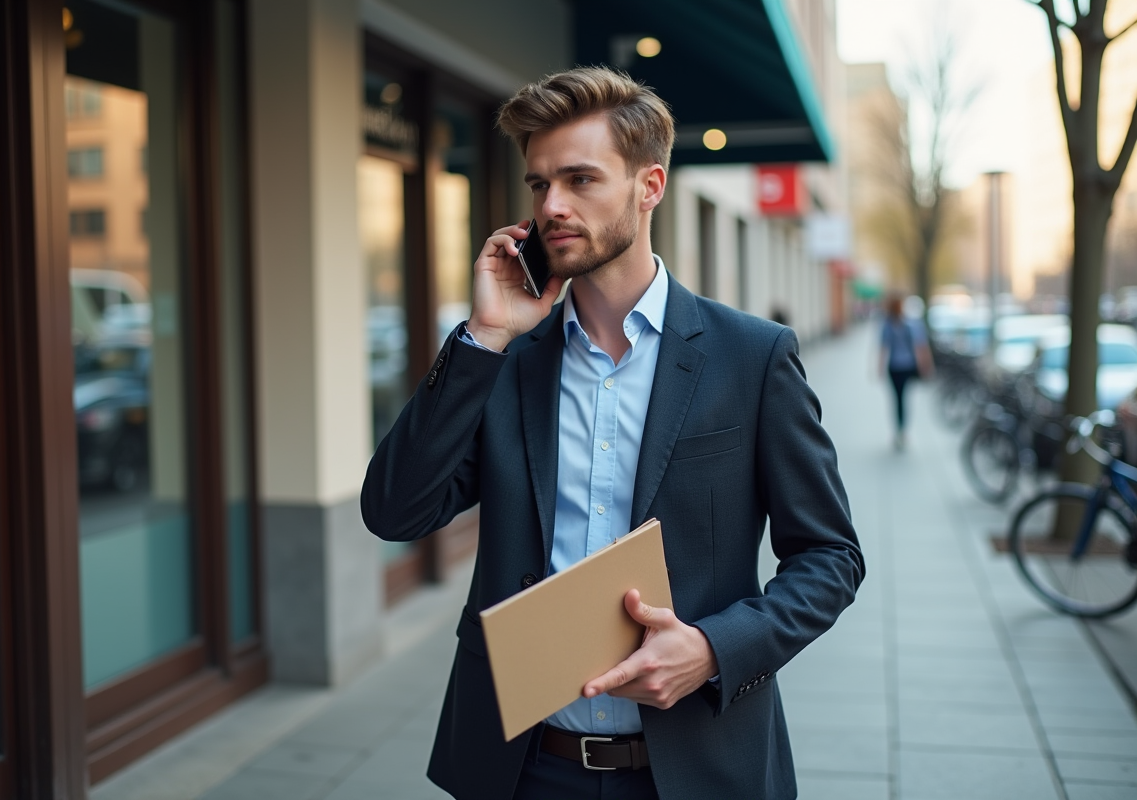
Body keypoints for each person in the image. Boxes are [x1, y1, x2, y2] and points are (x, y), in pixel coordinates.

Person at [361, 67, 864, 800]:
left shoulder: (751, 358)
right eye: (538, 185)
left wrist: (712, 650)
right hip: (524, 769)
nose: (551, 207)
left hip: (695, 769)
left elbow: (830, 557)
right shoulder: (508, 361)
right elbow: (394, 511)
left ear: (649, 185)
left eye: (579, 179)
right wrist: (482, 337)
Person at [878, 294, 933, 449]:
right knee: (903, 399)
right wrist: (925, 366)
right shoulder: (911, 323)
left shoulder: (888, 324)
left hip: (894, 367)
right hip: (906, 366)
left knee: (897, 399)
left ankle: (900, 430)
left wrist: (880, 368)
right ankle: (902, 431)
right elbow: (920, 347)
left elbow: (883, 347)